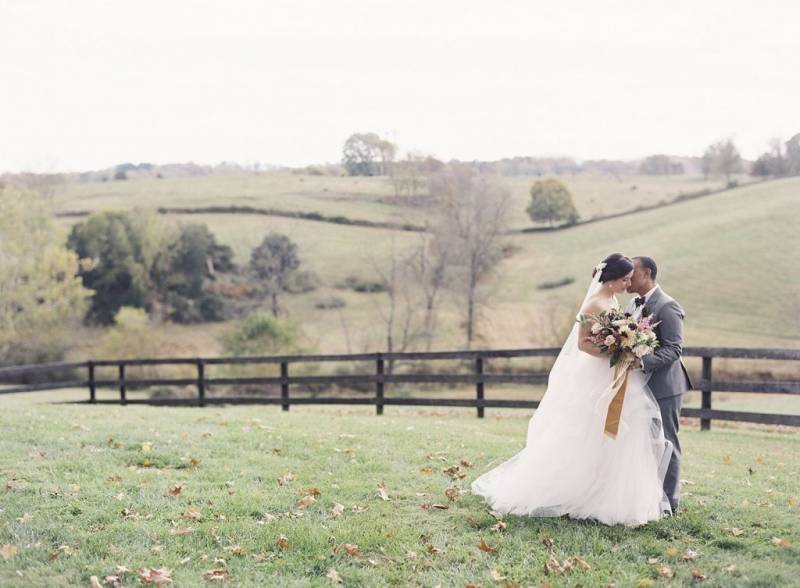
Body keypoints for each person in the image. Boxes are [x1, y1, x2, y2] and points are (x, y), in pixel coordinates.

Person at [470, 253, 673, 526]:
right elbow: (583, 344)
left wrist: (627, 346)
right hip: (598, 374)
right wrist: (616, 350)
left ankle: (608, 492)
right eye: (624, 279)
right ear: (611, 280)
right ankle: (577, 490)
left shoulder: (612, 299)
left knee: (621, 432)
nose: (628, 284)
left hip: (617, 374)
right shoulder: (593, 304)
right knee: (589, 430)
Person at [626, 256, 692, 515]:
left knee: (666, 443)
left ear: (648, 273)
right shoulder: (632, 303)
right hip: (639, 388)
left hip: (665, 387)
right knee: (643, 443)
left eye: (633, 273)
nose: (628, 278)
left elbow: (674, 349)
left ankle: (669, 504)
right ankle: (648, 497)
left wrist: (641, 362)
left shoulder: (667, 306)